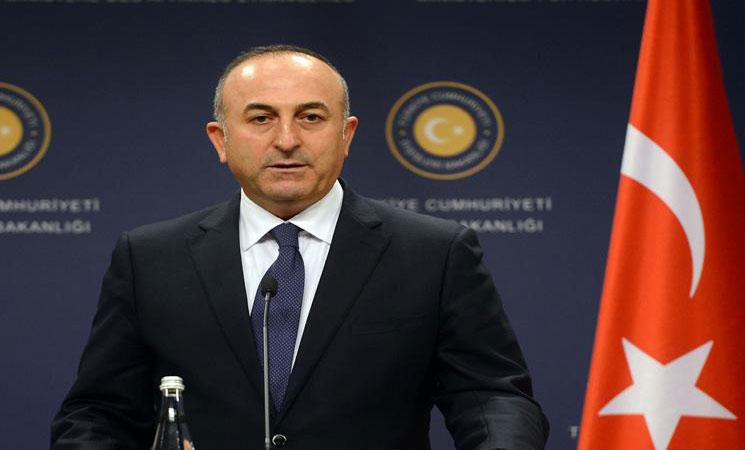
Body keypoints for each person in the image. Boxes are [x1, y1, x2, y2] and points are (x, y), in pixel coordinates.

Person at [52, 45, 549, 450]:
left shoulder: (433, 253)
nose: (287, 139)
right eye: (261, 118)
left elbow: (491, 398)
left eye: (311, 117)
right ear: (220, 140)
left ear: (346, 134)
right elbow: (98, 414)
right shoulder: (151, 258)